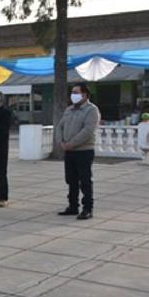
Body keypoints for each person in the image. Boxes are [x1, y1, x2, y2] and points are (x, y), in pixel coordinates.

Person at [56, 85, 101, 220]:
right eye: (72, 92)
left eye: (76, 93)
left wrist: (71, 144)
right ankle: (72, 206)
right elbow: (60, 126)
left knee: (85, 180)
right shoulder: (69, 109)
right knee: (71, 180)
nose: (73, 95)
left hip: (84, 151)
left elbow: (87, 131)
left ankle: (87, 208)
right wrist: (61, 143)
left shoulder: (91, 110)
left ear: (85, 95)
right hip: (69, 151)